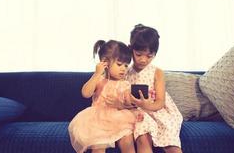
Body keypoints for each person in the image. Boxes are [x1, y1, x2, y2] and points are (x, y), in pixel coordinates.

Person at [68, 39, 139, 153]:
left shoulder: (125, 84)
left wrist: (122, 104)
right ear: (105, 63)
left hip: (120, 119)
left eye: (126, 66)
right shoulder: (99, 80)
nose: (123, 69)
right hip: (98, 118)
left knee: (127, 141)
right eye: (119, 64)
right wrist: (97, 74)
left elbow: (129, 104)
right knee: (98, 145)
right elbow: (85, 93)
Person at [126, 24, 183, 153]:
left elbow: (160, 102)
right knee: (142, 137)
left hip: (158, 111)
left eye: (149, 56)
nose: (143, 60)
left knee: (171, 144)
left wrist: (147, 105)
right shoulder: (125, 73)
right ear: (131, 50)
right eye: (139, 54)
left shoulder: (157, 72)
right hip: (138, 114)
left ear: (155, 54)